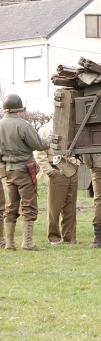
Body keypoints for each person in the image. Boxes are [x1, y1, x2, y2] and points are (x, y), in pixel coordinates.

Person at [0, 94, 52, 251]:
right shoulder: (23, 125)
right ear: (19, 108)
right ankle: (27, 243)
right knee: (29, 206)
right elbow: (39, 144)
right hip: (24, 171)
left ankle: (9, 243)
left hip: (9, 170)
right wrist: (50, 139)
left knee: (11, 206)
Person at [35, 121, 80, 245]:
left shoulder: (71, 125)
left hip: (71, 167)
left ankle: (69, 236)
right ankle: (54, 237)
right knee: (54, 207)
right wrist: (49, 171)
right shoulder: (46, 129)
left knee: (70, 206)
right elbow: (40, 152)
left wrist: (77, 163)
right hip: (55, 168)